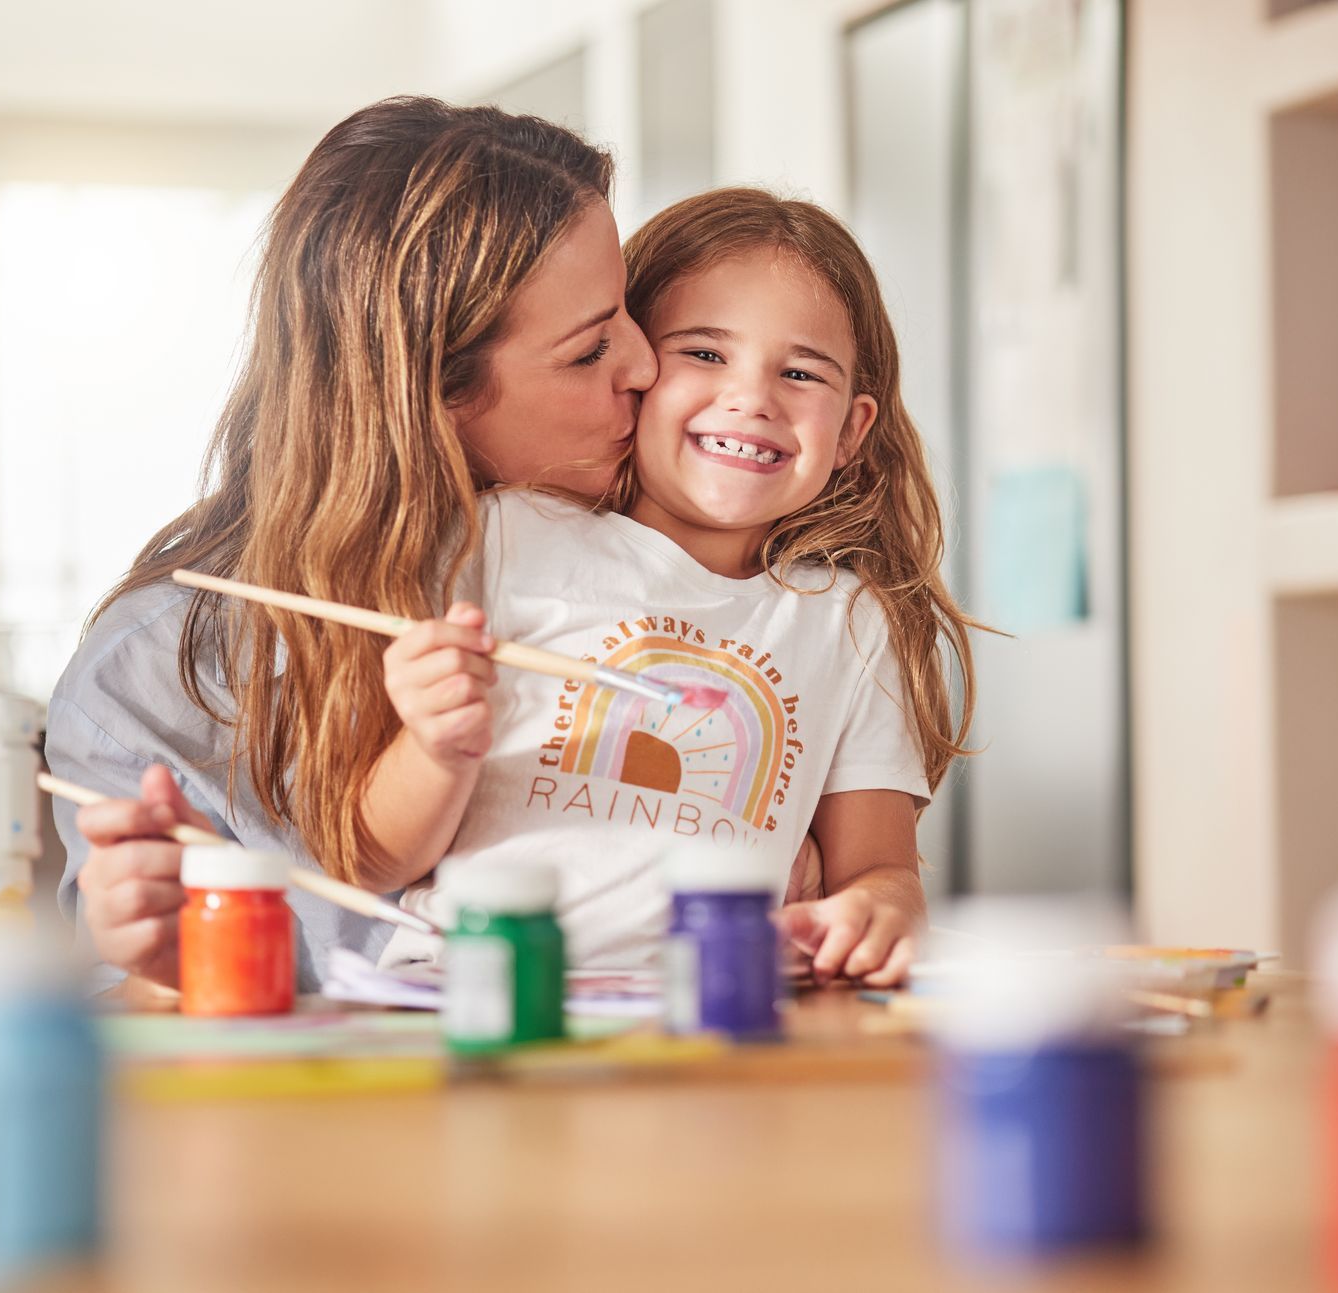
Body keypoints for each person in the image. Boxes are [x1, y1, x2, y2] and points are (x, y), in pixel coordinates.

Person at [47, 97, 656, 990]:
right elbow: (129, 1012)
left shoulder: (654, 549)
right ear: (430, 394)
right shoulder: (154, 673)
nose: (646, 366)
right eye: (589, 349)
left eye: (627, 311)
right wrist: (155, 960)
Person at [373, 188, 981, 986]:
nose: (752, 398)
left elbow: (882, 871)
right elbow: (376, 857)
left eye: (799, 372)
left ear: (853, 433)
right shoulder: (503, 536)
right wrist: (432, 744)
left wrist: (876, 910)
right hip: (465, 991)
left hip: (709, 1012)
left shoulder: (849, 623)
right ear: (632, 371)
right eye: (704, 353)